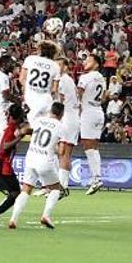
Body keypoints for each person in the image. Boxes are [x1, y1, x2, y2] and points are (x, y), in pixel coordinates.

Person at [8, 102, 65, 229]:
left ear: (51, 111)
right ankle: (46, 216)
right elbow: (61, 152)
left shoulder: (39, 120)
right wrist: (53, 148)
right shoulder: (61, 127)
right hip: (45, 160)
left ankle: (13, 219)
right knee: (56, 189)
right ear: (62, 114)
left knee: (26, 189)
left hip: (31, 157)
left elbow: (27, 130)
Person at [78, 54, 106, 195]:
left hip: (88, 112)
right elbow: (103, 97)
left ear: (96, 64)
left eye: (88, 60)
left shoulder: (85, 77)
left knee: (88, 146)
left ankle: (96, 178)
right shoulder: (102, 78)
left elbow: (78, 94)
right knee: (94, 147)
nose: (85, 62)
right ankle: (97, 176)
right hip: (98, 111)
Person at [19, 41, 60, 127]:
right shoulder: (55, 66)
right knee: (43, 126)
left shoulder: (30, 59)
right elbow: (54, 89)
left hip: (31, 98)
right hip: (46, 100)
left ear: (40, 50)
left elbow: (22, 79)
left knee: (31, 126)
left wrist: (29, 89)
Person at [56, 58, 79, 196]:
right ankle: (59, 184)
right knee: (62, 152)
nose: (56, 67)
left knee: (64, 152)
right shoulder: (69, 80)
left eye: (59, 65)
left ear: (65, 67)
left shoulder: (63, 80)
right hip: (71, 117)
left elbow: (60, 100)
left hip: (68, 118)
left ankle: (62, 186)